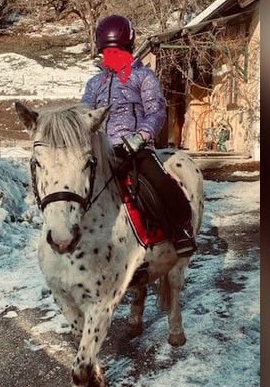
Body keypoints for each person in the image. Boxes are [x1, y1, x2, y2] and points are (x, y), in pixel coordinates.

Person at [81, 15, 197, 257]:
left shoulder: (144, 77)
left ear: (128, 49)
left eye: (118, 51)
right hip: (102, 149)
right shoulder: (94, 84)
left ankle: (180, 229)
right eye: (107, 52)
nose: (111, 57)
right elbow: (85, 115)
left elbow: (156, 111)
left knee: (160, 182)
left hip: (134, 148)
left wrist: (140, 137)